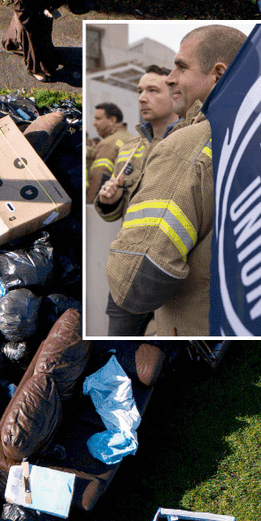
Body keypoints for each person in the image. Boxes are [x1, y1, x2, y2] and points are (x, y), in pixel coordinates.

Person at [104, 25, 247, 336]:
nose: (171, 77)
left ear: (218, 74)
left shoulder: (189, 146)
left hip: (195, 326)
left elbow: (134, 284)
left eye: (181, 66)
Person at [95, 65, 179, 335]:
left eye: (153, 90)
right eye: (140, 91)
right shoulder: (130, 148)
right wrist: (110, 199)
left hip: (174, 271)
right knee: (117, 347)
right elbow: (114, 213)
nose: (142, 97)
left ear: (176, 95)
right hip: (129, 268)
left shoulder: (189, 143)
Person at [2, 0, 63, 82]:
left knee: (44, 37)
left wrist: (48, 8)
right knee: (32, 44)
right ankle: (34, 69)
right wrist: (38, 14)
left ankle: (47, 58)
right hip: (27, 17)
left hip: (40, 13)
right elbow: (20, 8)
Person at [86, 103, 134, 203]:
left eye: (98, 119)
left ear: (112, 120)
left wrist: (89, 204)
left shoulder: (109, 143)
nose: (94, 123)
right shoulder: (133, 139)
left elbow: (98, 178)